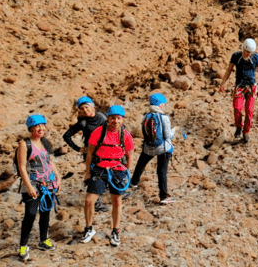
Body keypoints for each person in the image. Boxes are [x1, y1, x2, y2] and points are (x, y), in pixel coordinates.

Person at [82, 105, 134, 247]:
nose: (115, 121)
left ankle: (115, 231)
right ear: (108, 118)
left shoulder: (126, 135)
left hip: (118, 170)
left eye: (118, 118)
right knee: (89, 200)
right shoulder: (98, 132)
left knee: (116, 201)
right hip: (99, 169)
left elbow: (130, 155)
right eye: (112, 118)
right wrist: (87, 172)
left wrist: (126, 173)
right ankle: (89, 228)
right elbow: (90, 153)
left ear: (122, 120)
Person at [16, 114, 61, 261]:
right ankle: (23, 246)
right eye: (37, 126)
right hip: (34, 183)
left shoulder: (45, 143)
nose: (41, 129)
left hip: (48, 184)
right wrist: (29, 186)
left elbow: (50, 162)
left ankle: (43, 239)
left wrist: (58, 177)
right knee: (30, 214)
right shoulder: (25, 145)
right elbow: (22, 167)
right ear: (31, 128)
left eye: (43, 126)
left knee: (46, 212)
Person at [63, 96, 108, 212]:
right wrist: (78, 149)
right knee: (94, 176)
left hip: (106, 151)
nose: (85, 110)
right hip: (91, 154)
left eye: (86, 107)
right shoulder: (83, 123)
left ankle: (104, 195)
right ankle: (96, 203)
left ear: (92, 106)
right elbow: (66, 136)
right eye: (82, 109)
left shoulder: (103, 117)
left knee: (106, 174)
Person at [130, 93, 176, 204]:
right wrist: (175, 129)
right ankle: (164, 197)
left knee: (140, 164)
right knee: (162, 171)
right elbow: (167, 135)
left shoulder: (146, 116)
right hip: (163, 149)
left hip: (148, 148)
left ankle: (133, 183)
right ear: (161, 105)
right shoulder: (164, 118)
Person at [218, 38, 258, 143]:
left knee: (249, 111)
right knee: (237, 108)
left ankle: (246, 132)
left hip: (251, 87)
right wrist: (223, 83)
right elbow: (229, 69)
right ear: (243, 48)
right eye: (247, 51)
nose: (248, 54)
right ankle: (238, 126)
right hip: (239, 86)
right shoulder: (236, 56)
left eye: (250, 52)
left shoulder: (256, 57)